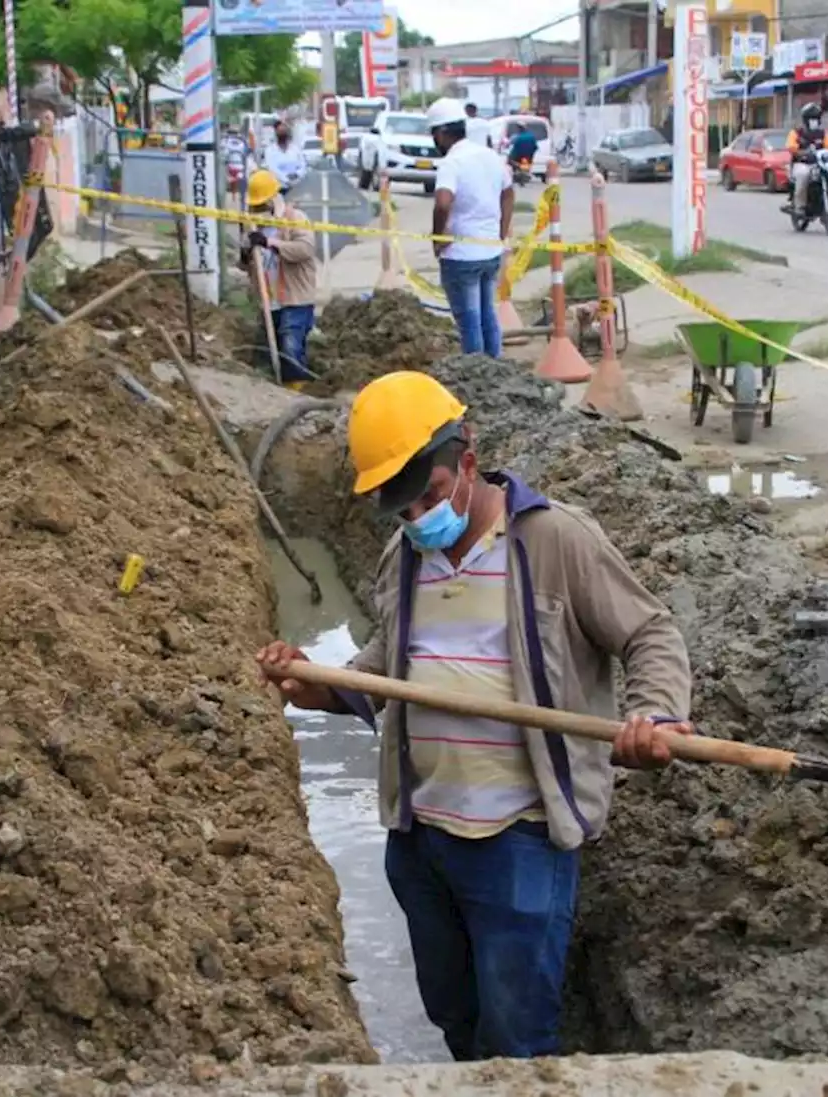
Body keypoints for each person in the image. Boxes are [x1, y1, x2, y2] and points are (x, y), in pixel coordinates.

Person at [256, 371, 693, 1061]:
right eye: (400, 509)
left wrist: (656, 714)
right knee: (455, 1018)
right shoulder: (406, 555)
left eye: (428, 496)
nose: (418, 519)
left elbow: (650, 634)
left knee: (516, 1040)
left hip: (518, 841)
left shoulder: (555, 540)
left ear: (467, 457)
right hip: (421, 839)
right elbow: (386, 671)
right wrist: (313, 683)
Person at [427, 98, 514, 358]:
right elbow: (508, 194)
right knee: (488, 315)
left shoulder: (451, 163)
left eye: (434, 135)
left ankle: (476, 375)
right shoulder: (490, 156)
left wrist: (438, 238)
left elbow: (443, 203)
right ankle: (495, 369)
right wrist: (501, 231)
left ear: (442, 133)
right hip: (490, 252)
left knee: (469, 322)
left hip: (460, 256)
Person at [239, 168, 318, 385]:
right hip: (269, 301)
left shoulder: (294, 219)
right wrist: (246, 252)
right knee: (265, 354)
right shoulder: (253, 227)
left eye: (262, 205)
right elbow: (247, 266)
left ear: (274, 200)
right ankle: (271, 390)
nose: (258, 210)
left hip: (295, 299)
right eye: (255, 206)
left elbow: (305, 249)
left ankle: (298, 389)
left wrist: (271, 244)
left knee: (290, 349)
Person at [786, 102, 828, 213]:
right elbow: (791, 147)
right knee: (803, 174)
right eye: (811, 118)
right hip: (802, 164)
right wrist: (800, 152)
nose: (814, 121)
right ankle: (800, 206)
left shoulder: (822, 133)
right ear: (805, 119)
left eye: (816, 118)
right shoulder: (796, 133)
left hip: (819, 164)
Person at [262, 119, 306, 191]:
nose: (282, 133)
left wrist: (297, 174)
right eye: (280, 131)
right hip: (278, 188)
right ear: (276, 132)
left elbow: (303, 165)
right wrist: (286, 179)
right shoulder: (270, 150)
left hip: (296, 188)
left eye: (284, 131)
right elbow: (272, 169)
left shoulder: (295, 149)